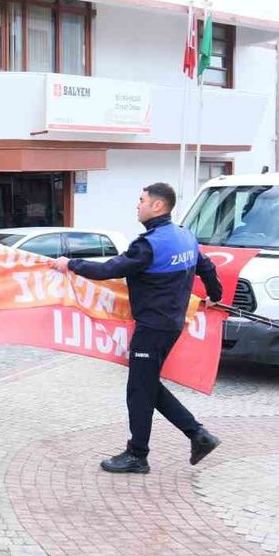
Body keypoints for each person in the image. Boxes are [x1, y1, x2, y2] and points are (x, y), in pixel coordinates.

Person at [52, 182, 222, 474]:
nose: (137, 205)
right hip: (172, 325)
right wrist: (215, 295)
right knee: (146, 384)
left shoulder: (148, 245)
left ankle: (139, 454)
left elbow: (107, 270)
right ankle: (198, 436)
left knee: (139, 389)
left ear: (157, 205)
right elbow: (206, 267)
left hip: (152, 327)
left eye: (142, 200)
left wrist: (70, 264)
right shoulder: (185, 236)